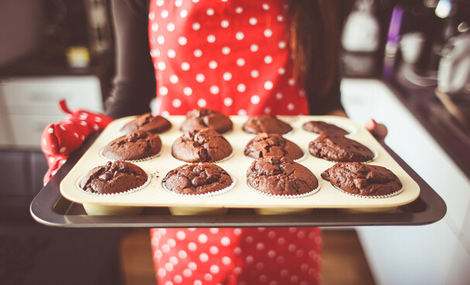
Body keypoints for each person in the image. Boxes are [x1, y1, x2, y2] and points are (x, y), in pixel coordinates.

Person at [42, 1, 387, 284]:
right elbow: (130, 96)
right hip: (184, 204)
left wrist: (354, 141)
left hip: (287, 204)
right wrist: (90, 139)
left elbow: (325, 99)